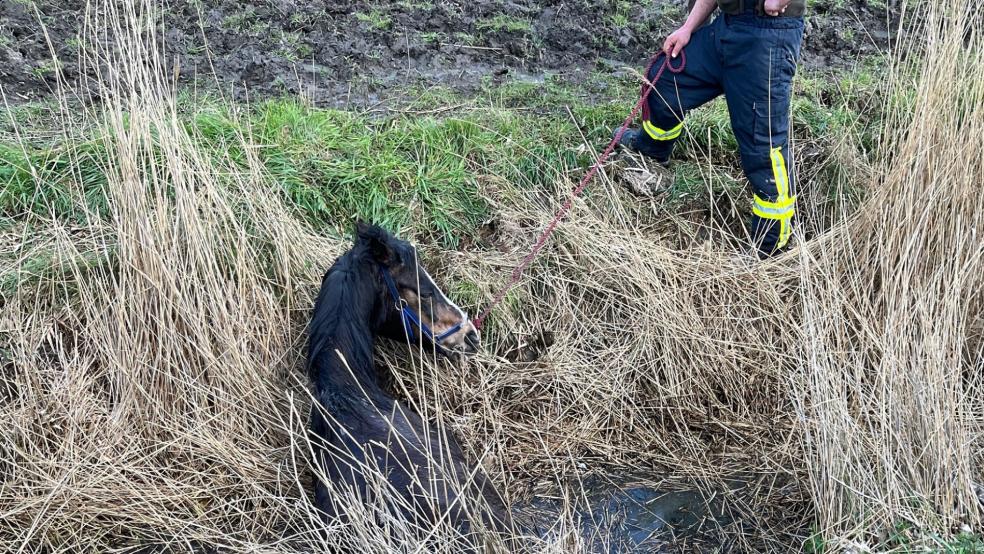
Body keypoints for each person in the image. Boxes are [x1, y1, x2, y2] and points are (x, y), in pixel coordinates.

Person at [615, 0, 805, 258]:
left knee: (764, 148)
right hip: (726, 28)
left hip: (767, 37)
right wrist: (687, 28)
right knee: (665, 80)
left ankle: (771, 249)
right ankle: (652, 148)